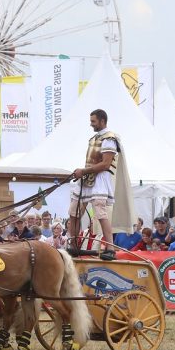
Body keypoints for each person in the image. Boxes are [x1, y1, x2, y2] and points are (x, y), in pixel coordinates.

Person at [67, 109, 121, 259]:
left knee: (100, 213)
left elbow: (105, 164)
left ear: (102, 121)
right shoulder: (94, 138)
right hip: (87, 177)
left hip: (99, 179)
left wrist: (83, 171)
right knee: (74, 212)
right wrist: (84, 173)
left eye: (93, 121)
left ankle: (110, 247)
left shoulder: (109, 138)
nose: (91, 124)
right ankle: (73, 244)